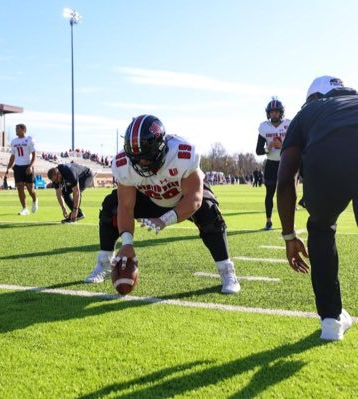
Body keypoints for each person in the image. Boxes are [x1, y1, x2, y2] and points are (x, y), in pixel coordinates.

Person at [84, 114, 240, 294]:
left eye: (146, 157)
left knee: (209, 211)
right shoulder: (123, 164)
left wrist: (165, 220)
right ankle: (104, 264)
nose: (141, 163)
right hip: (150, 198)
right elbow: (125, 206)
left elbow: (194, 199)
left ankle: (227, 271)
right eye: (136, 158)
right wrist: (127, 243)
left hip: (182, 197)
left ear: (161, 148)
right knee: (111, 206)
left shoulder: (182, 153)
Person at [277, 75, 357, 340]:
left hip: (325, 158)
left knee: (321, 228)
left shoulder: (309, 112)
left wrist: (289, 236)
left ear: (313, 97)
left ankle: (331, 322)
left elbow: (286, 176)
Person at [256, 99, 290, 230]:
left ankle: (287, 221)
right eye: (272, 112)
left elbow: (297, 144)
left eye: (276, 112)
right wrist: (267, 149)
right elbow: (258, 150)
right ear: (268, 113)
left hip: (286, 162)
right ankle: (268, 221)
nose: (274, 114)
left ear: (281, 113)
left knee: (285, 194)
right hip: (271, 164)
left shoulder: (289, 124)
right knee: (269, 193)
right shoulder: (264, 127)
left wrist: (283, 146)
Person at [5, 124, 38, 215]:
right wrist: (8, 167)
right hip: (18, 167)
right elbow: (12, 156)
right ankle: (24, 209)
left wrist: (30, 166)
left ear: (23, 130)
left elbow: (34, 155)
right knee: (19, 188)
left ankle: (35, 200)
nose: (16, 131)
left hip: (27, 166)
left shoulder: (29, 140)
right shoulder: (14, 141)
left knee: (30, 189)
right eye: (15, 129)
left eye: (17, 129)